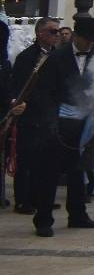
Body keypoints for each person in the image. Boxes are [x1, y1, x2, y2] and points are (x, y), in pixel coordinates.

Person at [32, 17, 94, 236]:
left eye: (93, 41)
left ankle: (78, 214)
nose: (90, 45)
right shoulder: (56, 58)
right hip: (59, 121)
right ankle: (43, 219)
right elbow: (44, 92)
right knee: (50, 173)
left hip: (85, 122)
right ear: (76, 36)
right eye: (87, 41)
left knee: (78, 170)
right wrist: (51, 120)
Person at [8, 17, 60, 214]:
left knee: (45, 161)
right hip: (30, 114)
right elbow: (19, 85)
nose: (56, 35)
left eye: (58, 31)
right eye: (52, 31)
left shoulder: (59, 56)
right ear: (40, 33)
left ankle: (42, 197)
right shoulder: (27, 57)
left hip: (51, 115)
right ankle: (23, 199)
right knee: (26, 160)